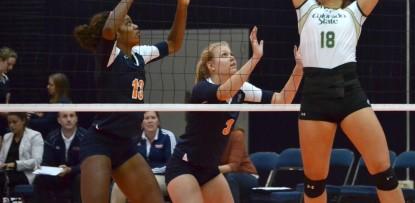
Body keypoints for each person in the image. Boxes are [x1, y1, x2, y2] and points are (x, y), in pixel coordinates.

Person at [289, 0, 404, 203]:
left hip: (349, 89)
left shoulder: (354, 13)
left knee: (383, 170)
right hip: (315, 93)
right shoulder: (307, 10)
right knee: (314, 183)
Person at [73, 0, 196, 203]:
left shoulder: (139, 55)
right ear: (118, 32)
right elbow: (108, 29)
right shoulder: (110, 55)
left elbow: (174, 43)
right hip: (99, 141)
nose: (136, 25)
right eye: (129, 23)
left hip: (125, 144)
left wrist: (182, 6)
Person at [165, 28, 304, 203]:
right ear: (211, 66)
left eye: (231, 54)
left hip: (209, 169)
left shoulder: (242, 90)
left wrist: (299, 68)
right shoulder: (202, 89)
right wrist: (254, 59)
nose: (231, 57)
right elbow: (224, 93)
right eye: (224, 55)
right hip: (183, 166)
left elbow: (282, 100)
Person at [111, 111, 177, 203]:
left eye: (153, 118)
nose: (150, 121)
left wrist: (148, 172)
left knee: (141, 185)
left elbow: (172, 165)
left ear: (158, 122)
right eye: (147, 118)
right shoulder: (134, 137)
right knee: (118, 186)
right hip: (139, 176)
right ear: (142, 122)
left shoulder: (167, 136)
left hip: (162, 178)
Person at [33, 111, 86, 203]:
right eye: (65, 116)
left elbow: (87, 163)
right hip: (57, 174)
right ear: (59, 120)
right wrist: (57, 170)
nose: (68, 119)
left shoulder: (85, 137)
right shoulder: (52, 137)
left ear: (76, 119)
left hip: (75, 174)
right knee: (39, 179)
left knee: (80, 178)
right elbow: (46, 161)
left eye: (71, 116)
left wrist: (70, 169)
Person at [0, 113, 43, 198]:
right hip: (5, 171)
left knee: (2, 179)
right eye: (9, 123)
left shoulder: (35, 136)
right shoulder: (7, 137)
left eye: (14, 122)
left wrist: (14, 165)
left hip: (24, 173)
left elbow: (36, 161)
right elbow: (1, 159)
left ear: (23, 121)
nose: (11, 125)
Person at [219, 128, 259, 203]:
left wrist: (211, 170)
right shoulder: (210, 139)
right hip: (223, 175)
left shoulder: (237, 135)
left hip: (247, 175)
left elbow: (234, 166)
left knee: (230, 178)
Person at [28, 72, 72, 137]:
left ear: (58, 87)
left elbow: (47, 123)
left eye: (51, 85)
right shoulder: (55, 100)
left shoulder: (62, 102)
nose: (47, 87)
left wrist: (27, 121)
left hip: (55, 137)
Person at [0, 47, 17, 141]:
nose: (10, 68)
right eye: (8, 64)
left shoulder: (6, 79)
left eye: (12, 65)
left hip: (2, 123)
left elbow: (6, 104)